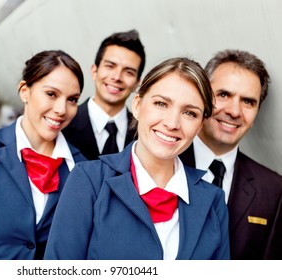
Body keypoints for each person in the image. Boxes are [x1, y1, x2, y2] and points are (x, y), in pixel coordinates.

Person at [44, 57, 230, 260]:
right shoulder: (89, 181)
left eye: (189, 113)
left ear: (200, 125)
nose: (172, 123)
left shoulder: (213, 201)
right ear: (138, 105)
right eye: (161, 103)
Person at [0, 50, 86, 260]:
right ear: (24, 91)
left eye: (72, 99)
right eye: (51, 94)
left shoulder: (82, 169)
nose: (61, 109)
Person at [180, 49, 282, 260]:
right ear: (202, 97)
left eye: (248, 102)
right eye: (224, 95)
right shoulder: (162, 162)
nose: (235, 111)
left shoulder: (273, 190)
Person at [62, 29, 146, 160]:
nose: (117, 77)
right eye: (110, 66)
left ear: (137, 83)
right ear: (94, 71)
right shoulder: (63, 123)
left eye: (129, 72)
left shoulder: (143, 133)